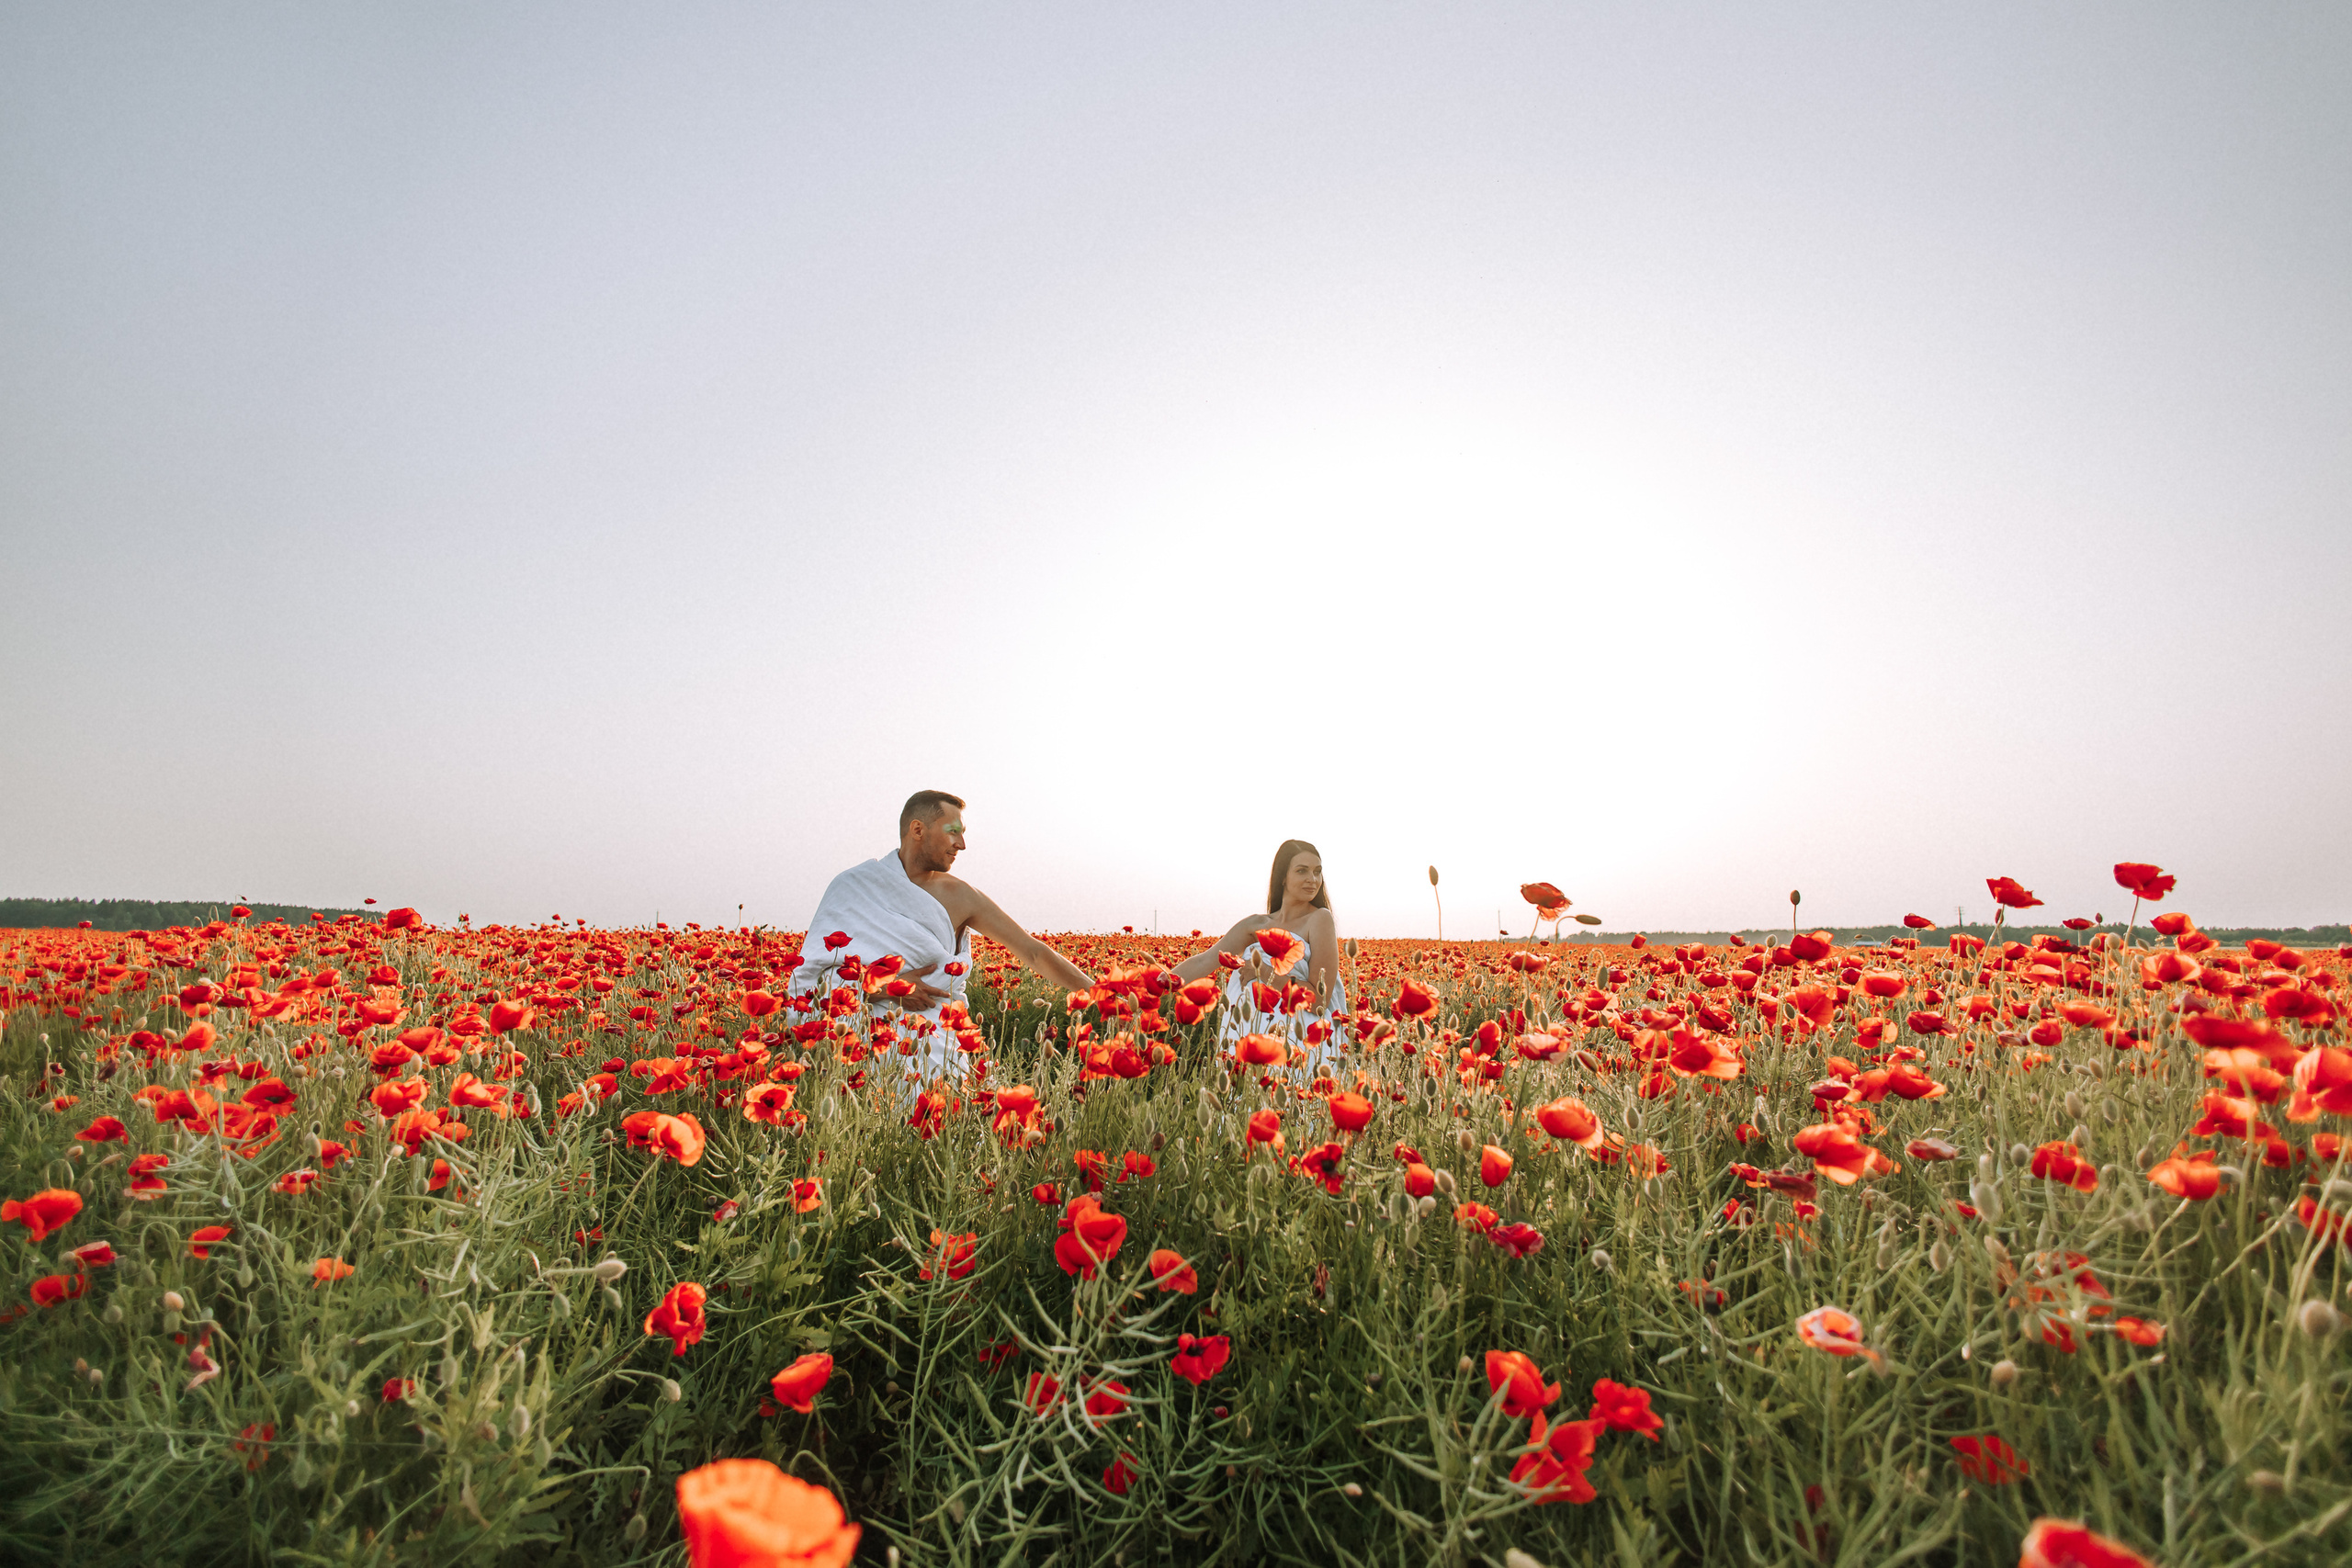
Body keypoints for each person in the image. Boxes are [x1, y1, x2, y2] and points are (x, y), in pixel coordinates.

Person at [792, 791, 1093, 1072]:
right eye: (953, 831)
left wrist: (1103, 994)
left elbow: (1033, 952)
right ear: (918, 830)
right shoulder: (853, 886)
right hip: (854, 1049)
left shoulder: (962, 896)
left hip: (936, 1047)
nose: (962, 844)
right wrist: (886, 988)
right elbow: (811, 976)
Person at [1170, 840, 1348, 1065]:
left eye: (1317, 871)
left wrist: (1263, 972)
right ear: (1283, 877)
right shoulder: (1254, 925)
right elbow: (1204, 961)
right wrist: (1151, 986)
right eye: (1302, 871)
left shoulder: (1319, 919)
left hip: (1299, 1046)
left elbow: (1319, 1000)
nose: (1312, 879)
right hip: (1247, 1036)